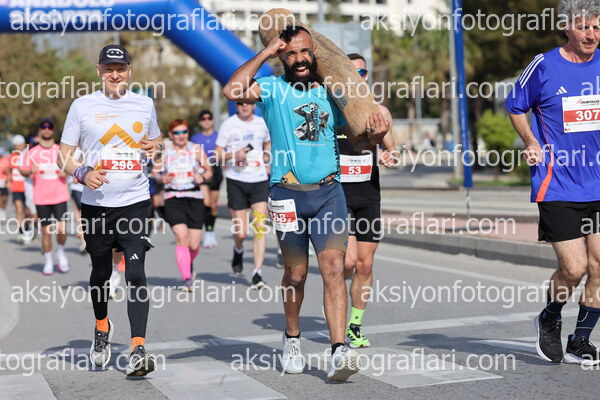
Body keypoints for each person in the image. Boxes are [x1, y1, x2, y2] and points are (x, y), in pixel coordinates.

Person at [223, 25, 389, 380]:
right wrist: (266, 52)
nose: (299, 58)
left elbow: (358, 142)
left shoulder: (331, 92)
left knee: (334, 269)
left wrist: (377, 135)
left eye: (304, 51)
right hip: (287, 195)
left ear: (315, 54)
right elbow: (232, 89)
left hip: (329, 193)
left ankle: (339, 349)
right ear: (283, 57)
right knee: (296, 274)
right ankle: (292, 337)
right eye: (291, 53)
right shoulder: (272, 88)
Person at [57, 44, 164, 376]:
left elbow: (158, 145)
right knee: (101, 274)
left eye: (120, 69)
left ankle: (138, 348)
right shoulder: (82, 106)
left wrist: (156, 148)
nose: (115, 75)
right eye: (108, 69)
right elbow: (63, 154)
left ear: (129, 71)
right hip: (96, 206)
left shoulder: (144, 104)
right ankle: (102, 326)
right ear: (99, 71)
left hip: (135, 202)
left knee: (135, 273)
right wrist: (81, 173)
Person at [506, 0, 600, 365]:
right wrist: (531, 141)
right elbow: (515, 105)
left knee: (599, 266)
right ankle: (549, 316)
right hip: (558, 184)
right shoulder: (544, 65)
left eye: (597, 27)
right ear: (567, 28)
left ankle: (580, 339)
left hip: (597, 184)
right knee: (574, 268)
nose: (591, 34)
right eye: (584, 27)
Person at [339, 53, 396, 349]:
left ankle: (355, 325)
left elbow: (393, 150)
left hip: (368, 195)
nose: (357, 76)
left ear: (366, 75)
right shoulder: (333, 108)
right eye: (351, 71)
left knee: (365, 264)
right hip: (338, 195)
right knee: (347, 262)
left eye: (361, 72)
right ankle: (336, 307)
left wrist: (389, 155)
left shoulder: (378, 111)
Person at [214, 102, 270, 289]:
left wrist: (268, 159)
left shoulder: (262, 123)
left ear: (254, 106)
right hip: (236, 180)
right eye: (240, 103)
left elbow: (267, 143)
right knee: (241, 232)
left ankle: (257, 273)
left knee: (259, 227)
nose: (245, 106)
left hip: (259, 180)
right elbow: (217, 155)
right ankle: (238, 248)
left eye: (248, 102)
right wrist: (233, 155)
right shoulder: (229, 124)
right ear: (236, 106)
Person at [155, 119, 212, 291]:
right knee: (181, 237)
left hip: (194, 198)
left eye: (184, 132)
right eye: (177, 133)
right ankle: (186, 278)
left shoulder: (195, 149)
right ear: (171, 135)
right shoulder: (164, 152)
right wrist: (161, 178)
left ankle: (188, 264)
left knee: (194, 245)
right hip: (173, 198)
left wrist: (202, 177)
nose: (181, 136)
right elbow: (155, 173)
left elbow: (209, 170)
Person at [20, 118, 70, 276]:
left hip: (60, 196)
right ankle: (48, 261)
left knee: (62, 230)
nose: (47, 129)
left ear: (53, 130)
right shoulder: (32, 152)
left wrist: (66, 172)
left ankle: (60, 251)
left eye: (50, 127)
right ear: (40, 130)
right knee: (46, 231)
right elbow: (22, 170)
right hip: (41, 198)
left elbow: (71, 167)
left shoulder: (60, 150)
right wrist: (30, 171)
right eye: (43, 126)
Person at [191, 110, 222, 248]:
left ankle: (210, 232)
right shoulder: (195, 138)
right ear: (200, 122)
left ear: (213, 120)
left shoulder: (219, 136)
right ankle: (203, 232)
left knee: (213, 204)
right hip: (201, 171)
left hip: (216, 170)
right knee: (206, 203)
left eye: (209, 118)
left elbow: (224, 153)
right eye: (203, 119)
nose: (206, 121)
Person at [8, 135, 33, 244]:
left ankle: (27, 228)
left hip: (27, 187)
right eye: (16, 145)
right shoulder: (11, 157)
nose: (18, 147)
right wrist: (8, 181)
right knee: (19, 210)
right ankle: (21, 232)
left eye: (20, 145)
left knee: (27, 212)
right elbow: (9, 171)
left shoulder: (28, 155)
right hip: (16, 188)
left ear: (24, 145)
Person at [0, 147, 9, 221]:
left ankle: (2, 210)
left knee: (5, 198)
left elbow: (9, 171)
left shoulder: (6, 160)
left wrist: (9, 182)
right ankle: (1, 212)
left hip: (4, 181)